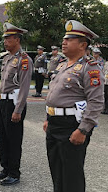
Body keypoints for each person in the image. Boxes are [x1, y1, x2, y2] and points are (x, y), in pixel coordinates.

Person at [44, 20, 103, 192]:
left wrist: (83, 130)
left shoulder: (90, 68)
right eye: (64, 39)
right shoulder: (62, 65)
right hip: (55, 124)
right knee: (57, 170)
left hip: (72, 125)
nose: (64, 42)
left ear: (83, 45)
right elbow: (55, 95)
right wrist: (49, 118)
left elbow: (96, 101)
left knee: (71, 174)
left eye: (69, 39)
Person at [0, 22, 33, 186]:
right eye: (5, 38)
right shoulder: (7, 58)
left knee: (13, 139)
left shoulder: (24, 60)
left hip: (14, 103)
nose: (5, 41)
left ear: (17, 39)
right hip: (2, 101)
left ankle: (14, 173)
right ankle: (5, 168)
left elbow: (24, 87)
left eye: (8, 38)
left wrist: (18, 109)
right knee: (2, 137)